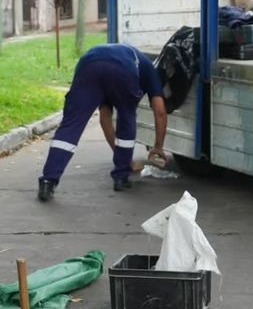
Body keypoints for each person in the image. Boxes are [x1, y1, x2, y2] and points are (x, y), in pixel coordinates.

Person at [37, 42, 168, 200]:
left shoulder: (131, 59)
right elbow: (160, 111)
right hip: (122, 70)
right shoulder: (150, 71)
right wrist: (158, 147)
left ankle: (48, 181)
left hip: (88, 64)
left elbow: (104, 117)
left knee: (71, 125)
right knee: (127, 117)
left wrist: (120, 155)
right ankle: (121, 178)